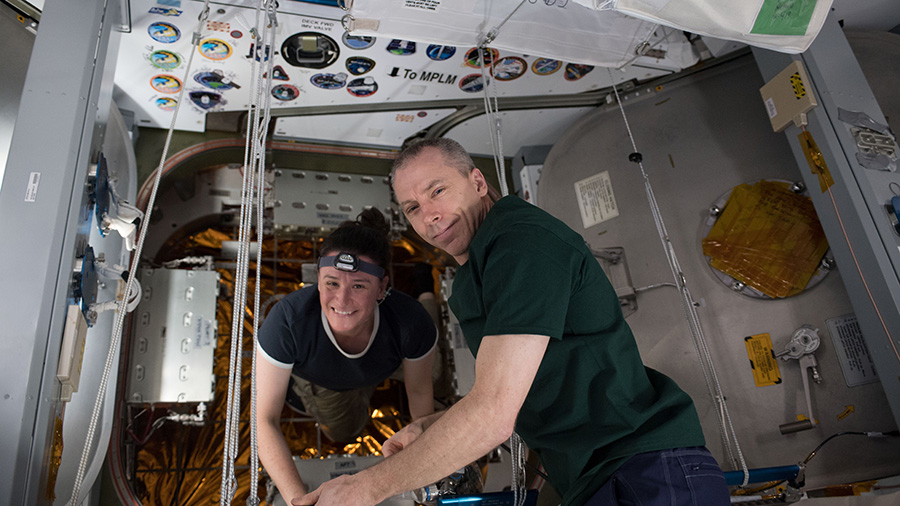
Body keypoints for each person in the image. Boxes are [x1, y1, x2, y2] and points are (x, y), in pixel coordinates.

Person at [296, 137, 731, 506]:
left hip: (645, 469)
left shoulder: (522, 244)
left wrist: (367, 488)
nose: (428, 215)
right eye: (412, 207)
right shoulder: (474, 274)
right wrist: (434, 427)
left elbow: (492, 414)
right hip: (595, 476)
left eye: (437, 191)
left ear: (478, 181)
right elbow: (517, 392)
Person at [256, 208, 437, 503]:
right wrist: (298, 500)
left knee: (435, 372)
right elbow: (263, 419)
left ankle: (427, 293)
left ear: (382, 288)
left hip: (387, 360)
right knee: (346, 429)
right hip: (328, 380)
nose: (341, 300)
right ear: (318, 279)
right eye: (331, 283)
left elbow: (419, 396)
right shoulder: (287, 323)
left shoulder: (410, 322)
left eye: (358, 286)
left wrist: (424, 470)